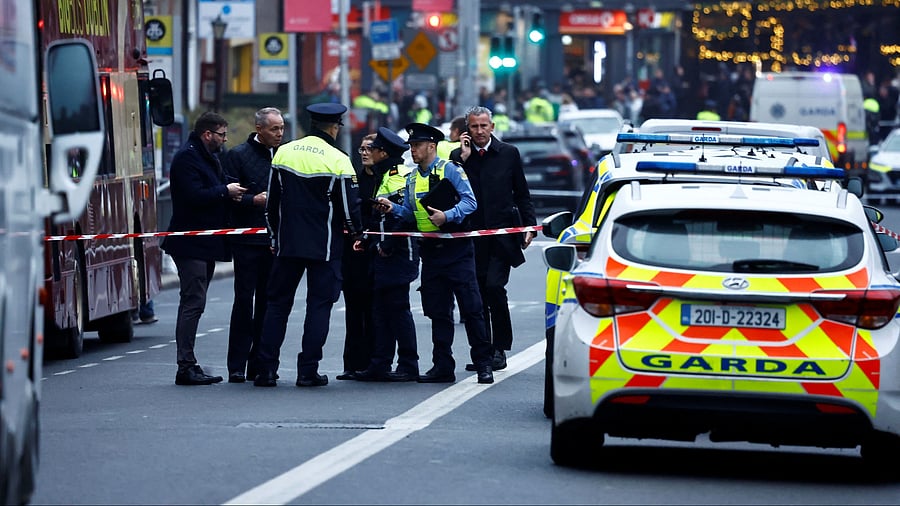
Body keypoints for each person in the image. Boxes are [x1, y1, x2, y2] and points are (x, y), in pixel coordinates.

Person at [374, 122, 494, 385]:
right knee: (437, 311)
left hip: (456, 249)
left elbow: (470, 202)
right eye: (411, 146)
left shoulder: (450, 170)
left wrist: (447, 215)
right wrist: (391, 209)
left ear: (432, 146)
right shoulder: (412, 178)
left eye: (416, 145)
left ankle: (484, 363)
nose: (412, 150)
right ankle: (442, 366)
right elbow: (409, 213)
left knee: (472, 309)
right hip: (430, 252)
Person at [253, 103, 363, 388]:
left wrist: (276, 240)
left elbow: (271, 205)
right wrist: (357, 236)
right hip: (325, 248)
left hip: (288, 245)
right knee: (319, 307)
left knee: (276, 306)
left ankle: (265, 370)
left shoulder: (284, 153)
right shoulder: (339, 160)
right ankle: (307, 371)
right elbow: (350, 213)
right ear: (334, 127)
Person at [450, 106, 536, 372]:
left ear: (492, 127)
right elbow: (450, 189)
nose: (479, 132)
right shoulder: (458, 156)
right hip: (472, 237)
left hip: (501, 237)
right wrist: (462, 159)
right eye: (474, 127)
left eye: (483, 126)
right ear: (467, 129)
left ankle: (499, 348)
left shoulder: (509, 153)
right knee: (475, 295)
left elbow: (522, 193)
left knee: (494, 289)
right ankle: (482, 352)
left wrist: (528, 226)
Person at [162, 111, 246, 386]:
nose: (224, 140)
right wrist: (225, 191)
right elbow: (193, 196)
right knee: (193, 301)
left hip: (204, 242)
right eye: (221, 135)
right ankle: (185, 365)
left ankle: (189, 363)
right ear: (207, 134)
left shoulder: (208, 156)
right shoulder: (188, 157)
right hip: (191, 242)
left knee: (196, 301)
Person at [221, 107, 284, 383]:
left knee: (269, 304)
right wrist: (253, 201)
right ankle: (236, 365)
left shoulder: (284, 156)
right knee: (244, 302)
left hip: (274, 241)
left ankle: (261, 362)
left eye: (281, 128)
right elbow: (228, 195)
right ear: (259, 129)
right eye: (274, 129)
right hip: (247, 240)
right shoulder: (237, 156)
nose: (279, 134)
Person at [352, 127, 420, 382]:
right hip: (382, 252)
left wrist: (388, 245)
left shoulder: (400, 175)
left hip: (400, 253)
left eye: (374, 149)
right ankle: (380, 363)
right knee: (381, 309)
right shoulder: (383, 175)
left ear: (384, 153)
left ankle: (408, 365)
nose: (370, 152)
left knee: (398, 309)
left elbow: (406, 215)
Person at [336, 133, 378, 381]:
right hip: (352, 253)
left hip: (375, 252)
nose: (363, 153)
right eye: (361, 148)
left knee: (374, 310)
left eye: (369, 148)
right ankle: (351, 363)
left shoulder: (386, 179)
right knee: (353, 308)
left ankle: (374, 361)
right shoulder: (354, 178)